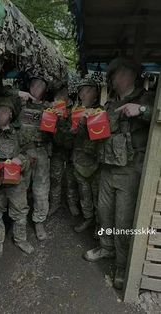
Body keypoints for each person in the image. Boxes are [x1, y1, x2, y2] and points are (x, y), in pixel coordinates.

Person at [83, 58, 154, 290]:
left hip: (130, 170)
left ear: (133, 75)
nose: (115, 79)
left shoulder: (146, 99)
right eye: (114, 75)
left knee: (123, 220)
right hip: (107, 167)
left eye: (120, 74)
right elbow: (100, 132)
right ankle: (106, 248)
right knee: (104, 212)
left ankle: (123, 266)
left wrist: (142, 110)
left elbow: (157, 114)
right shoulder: (110, 104)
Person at [0, 94, 34, 257]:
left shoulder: (19, 133)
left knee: (20, 213)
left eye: (4, 111)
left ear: (11, 115)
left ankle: (20, 239)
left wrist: (20, 160)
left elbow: (30, 154)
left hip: (15, 182)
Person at [18, 76, 52, 240]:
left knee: (41, 190)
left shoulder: (48, 108)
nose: (37, 88)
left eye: (41, 85)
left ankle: (39, 222)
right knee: (20, 189)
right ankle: (20, 222)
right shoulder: (18, 104)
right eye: (34, 84)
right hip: (23, 153)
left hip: (41, 152)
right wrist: (18, 94)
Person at [72, 79, 101, 234]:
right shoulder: (74, 111)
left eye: (88, 90)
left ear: (96, 94)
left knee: (97, 195)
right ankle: (88, 218)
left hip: (95, 161)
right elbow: (66, 137)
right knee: (84, 194)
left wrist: (88, 120)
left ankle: (99, 223)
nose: (84, 93)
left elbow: (100, 136)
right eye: (82, 90)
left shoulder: (101, 111)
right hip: (78, 159)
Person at [49, 83, 79, 217]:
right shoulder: (52, 106)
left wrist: (66, 115)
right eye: (58, 94)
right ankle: (54, 203)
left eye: (63, 93)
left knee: (71, 178)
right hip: (57, 148)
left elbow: (78, 124)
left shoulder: (76, 108)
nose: (60, 96)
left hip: (71, 148)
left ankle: (72, 203)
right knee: (55, 178)